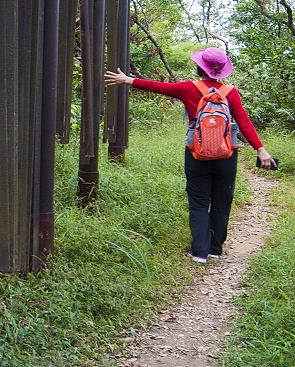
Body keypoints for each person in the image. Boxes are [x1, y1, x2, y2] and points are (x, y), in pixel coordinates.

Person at [105, 47, 276, 264]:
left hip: (196, 154)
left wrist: (128, 80)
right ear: (222, 71)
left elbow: (158, 87)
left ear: (199, 68)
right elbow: (243, 122)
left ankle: (200, 252)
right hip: (226, 156)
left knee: (198, 202)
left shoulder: (188, 88)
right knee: (222, 201)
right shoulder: (230, 92)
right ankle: (215, 248)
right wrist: (260, 149)